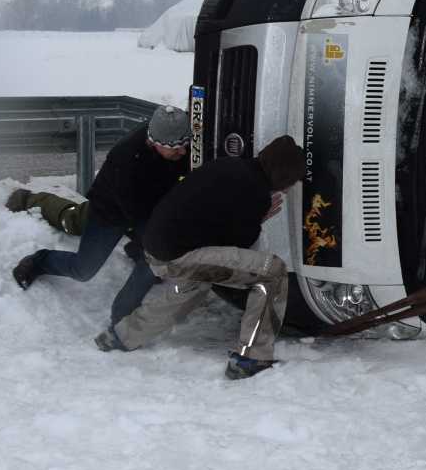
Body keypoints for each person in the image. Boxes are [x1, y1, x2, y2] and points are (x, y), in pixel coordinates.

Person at [104, 135, 306, 379]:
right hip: (177, 256)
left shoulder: (228, 165)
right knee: (271, 272)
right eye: (291, 181)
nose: (289, 188)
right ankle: (252, 358)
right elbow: (238, 246)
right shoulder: (256, 192)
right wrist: (259, 218)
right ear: (282, 174)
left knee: (195, 284)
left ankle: (122, 336)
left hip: (156, 246)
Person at [10, 105, 191, 329]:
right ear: (155, 143)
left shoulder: (178, 139)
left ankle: (121, 320)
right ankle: (40, 261)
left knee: (151, 260)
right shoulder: (126, 160)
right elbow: (136, 215)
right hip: (111, 211)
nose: (183, 152)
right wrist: (151, 243)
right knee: (84, 269)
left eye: (185, 145)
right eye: (175, 148)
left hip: (152, 205)